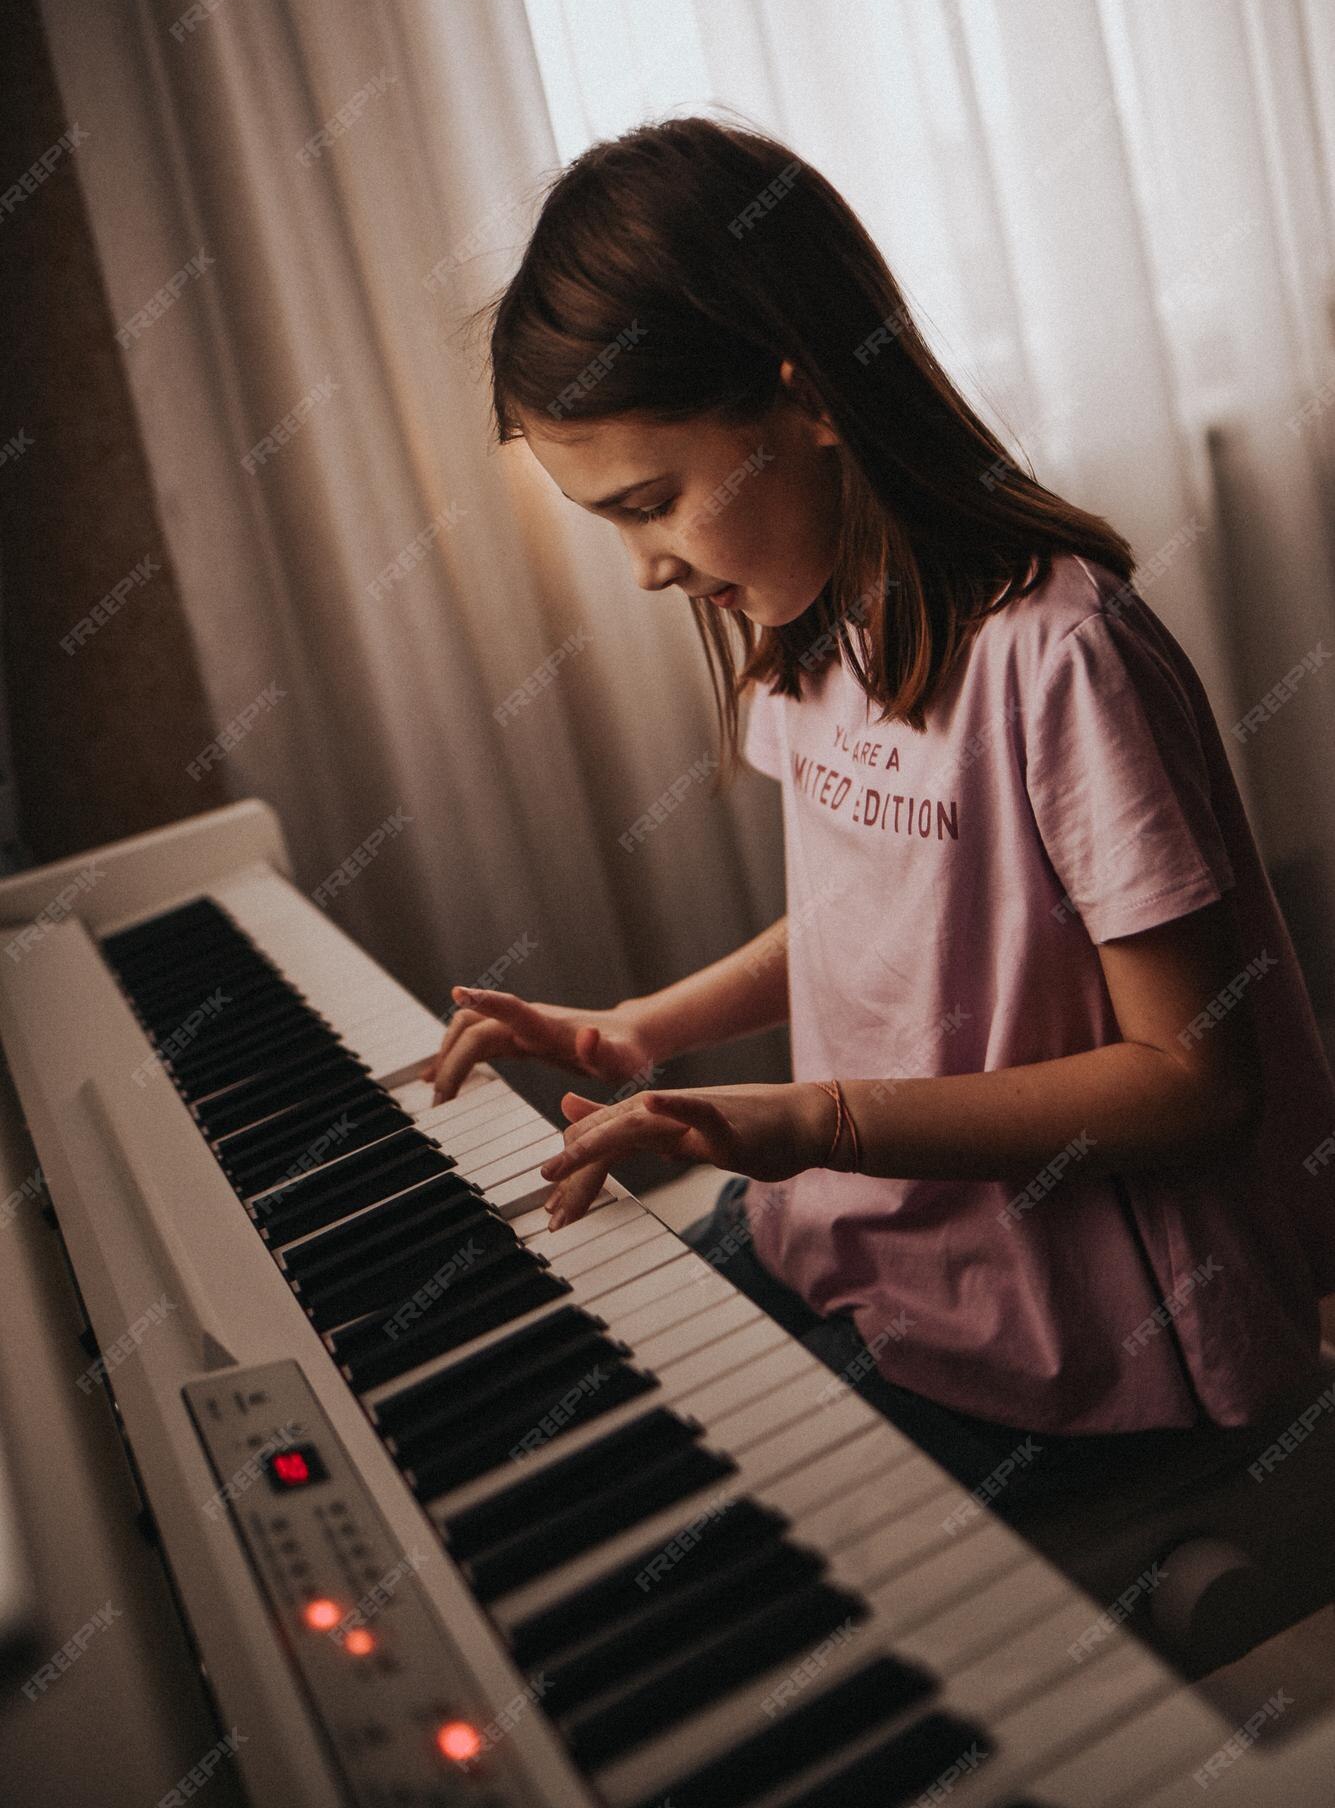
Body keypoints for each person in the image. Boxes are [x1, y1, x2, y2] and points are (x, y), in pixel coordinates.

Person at [424, 113, 1335, 1513]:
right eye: (608, 521)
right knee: (521, 1427)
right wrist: (638, 1032)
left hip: (1077, 1344)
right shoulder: (815, 619)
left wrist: (816, 1121)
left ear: (809, 401)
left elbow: (1195, 1081)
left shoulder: (1060, 652)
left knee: (682, 1540)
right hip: (855, 1237)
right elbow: (894, 914)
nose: (646, 569)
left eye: (654, 502)